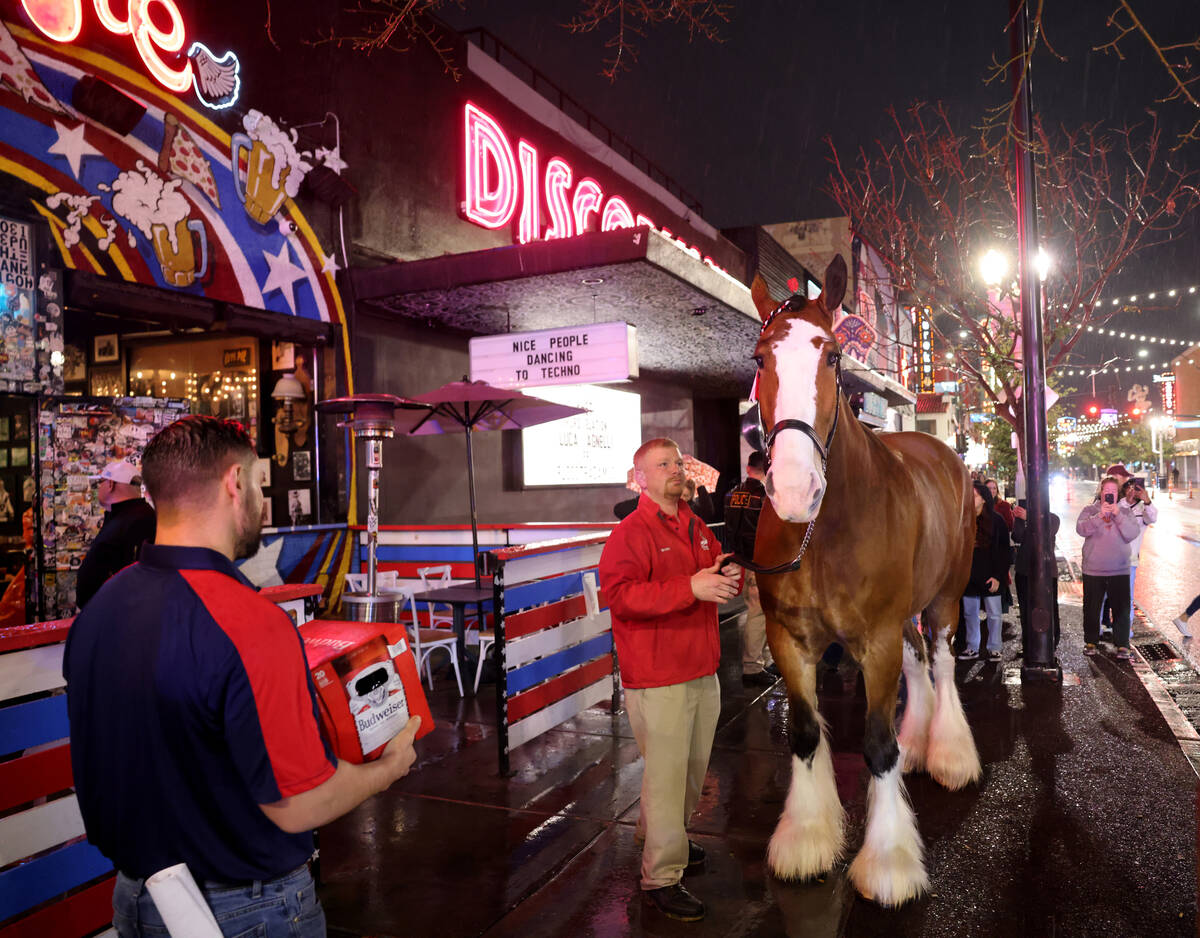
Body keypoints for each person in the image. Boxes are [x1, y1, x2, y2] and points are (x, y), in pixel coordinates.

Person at [64, 416, 421, 937]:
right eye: (258, 484)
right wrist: (389, 768)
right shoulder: (250, 623)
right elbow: (296, 805)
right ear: (234, 482)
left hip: (134, 902)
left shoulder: (99, 611)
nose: (261, 499)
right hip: (245, 910)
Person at [598, 437, 740, 923]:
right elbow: (619, 596)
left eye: (678, 463)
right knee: (666, 774)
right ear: (641, 478)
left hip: (702, 666)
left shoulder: (697, 525)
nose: (675, 470)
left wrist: (727, 574)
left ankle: (666, 835)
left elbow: (715, 570)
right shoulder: (631, 532)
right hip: (657, 674)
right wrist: (692, 586)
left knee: (691, 769)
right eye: (663, 465)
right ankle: (660, 875)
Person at [723, 451, 779, 685]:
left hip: (740, 561)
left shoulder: (732, 494)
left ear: (748, 468)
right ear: (767, 470)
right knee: (758, 615)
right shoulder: (766, 497)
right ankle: (752, 668)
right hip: (760, 564)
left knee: (755, 611)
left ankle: (759, 663)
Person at [75, 459, 157, 609]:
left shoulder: (137, 520)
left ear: (111, 484)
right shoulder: (133, 516)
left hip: (119, 618)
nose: (98, 488)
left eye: (101, 483)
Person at [1076, 475, 1140, 659]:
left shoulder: (1125, 512)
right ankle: (1091, 641)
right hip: (1093, 569)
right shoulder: (1090, 510)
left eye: (1113, 491)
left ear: (1117, 493)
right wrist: (1100, 516)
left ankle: (1122, 644)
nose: (1109, 494)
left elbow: (1132, 533)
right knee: (1091, 608)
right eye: (1106, 491)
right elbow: (1081, 529)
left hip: (1119, 569)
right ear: (1101, 492)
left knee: (1120, 608)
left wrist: (1117, 514)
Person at [958, 481, 1011, 661]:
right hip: (969, 576)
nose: (970, 500)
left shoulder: (997, 521)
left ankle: (994, 647)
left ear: (984, 499)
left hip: (991, 576)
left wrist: (998, 576)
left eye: (974, 497)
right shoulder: (963, 519)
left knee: (994, 615)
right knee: (969, 614)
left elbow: (1005, 551)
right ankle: (972, 646)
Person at [1010, 503, 1061, 653]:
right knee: (1026, 609)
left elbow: (1048, 530)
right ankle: (1028, 644)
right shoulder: (1021, 518)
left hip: (1046, 571)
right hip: (1024, 570)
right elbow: (1017, 536)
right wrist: (1020, 519)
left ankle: (1050, 643)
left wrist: (1029, 517)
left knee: (1049, 609)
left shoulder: (1052, 518)